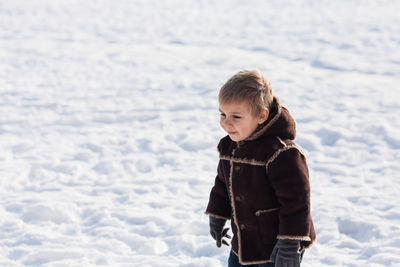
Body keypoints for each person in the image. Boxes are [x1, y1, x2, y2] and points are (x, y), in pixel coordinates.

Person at [205, 70, 316, 266]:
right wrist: (217, 214)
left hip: (277, 248)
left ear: (261, 115)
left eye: (236, 117)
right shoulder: (229, 146)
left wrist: (290, 242)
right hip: (243, 244)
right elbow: (223, 184)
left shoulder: (282, 154)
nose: (226, 123)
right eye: (222, 114)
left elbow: (297, 202)